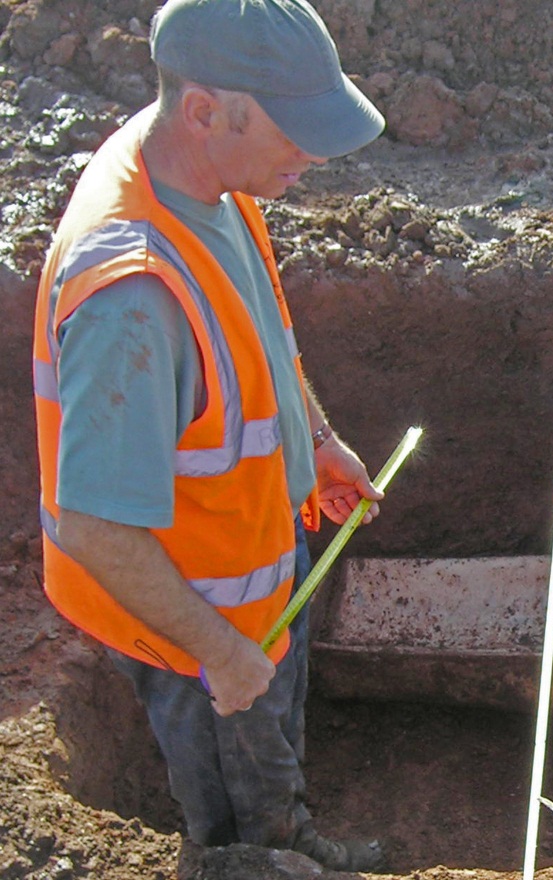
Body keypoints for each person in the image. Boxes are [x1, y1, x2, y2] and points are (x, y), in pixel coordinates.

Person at [32, 0, 390, 871]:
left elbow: (254, 331)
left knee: (270, 766)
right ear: (201, 110)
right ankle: (265, 858)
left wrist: (318, 438)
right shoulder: (133, 298)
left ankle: (291, 837)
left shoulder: (208, 177)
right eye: (296, 131)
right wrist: (221, 653)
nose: (313, 154)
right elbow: (94, 525)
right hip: (195, 622)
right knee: (236, 816)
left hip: (254, 589)